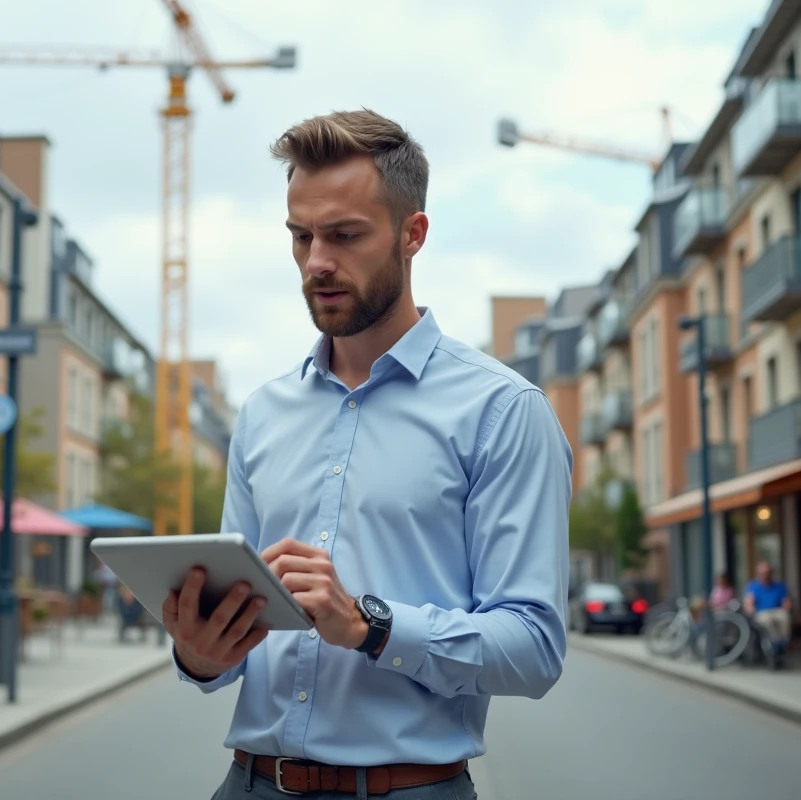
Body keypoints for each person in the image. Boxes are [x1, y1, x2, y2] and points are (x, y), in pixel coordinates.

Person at [162, 109, 572, 799]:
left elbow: (532, 648)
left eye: (345, 235)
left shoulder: (503, 410)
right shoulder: (262, 414)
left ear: (413, 234)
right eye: (301, 236)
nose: (316, 261)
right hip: (248, 783)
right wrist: (200, 653)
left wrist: (369, 625)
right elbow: (231, 649)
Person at [744, 561, 791, 669]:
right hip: (762, 612)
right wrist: (750, 609)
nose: (765, 575)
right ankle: (775, 643)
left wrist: (786, 608)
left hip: (777, 611)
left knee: (784, 618)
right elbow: (749, 602)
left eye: (767, 573)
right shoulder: (753, 586)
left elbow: (786, 602)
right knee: (767, 620)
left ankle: (783, 642)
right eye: (763, 573)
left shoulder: (779, 586)